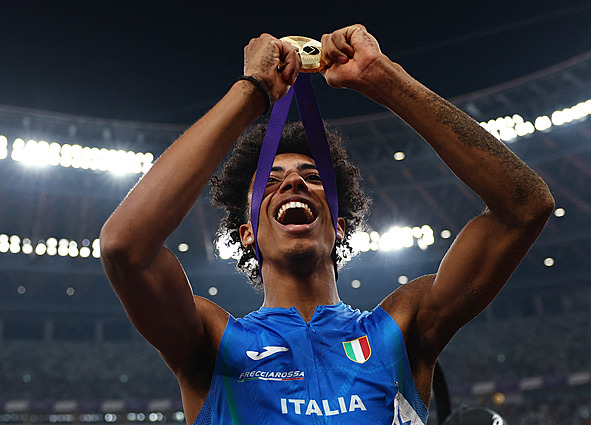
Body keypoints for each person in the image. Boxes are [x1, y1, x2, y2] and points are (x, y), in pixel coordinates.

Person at [100, 24, 554, 425]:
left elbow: (526, 206)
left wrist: (385, 78)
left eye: (312, 177)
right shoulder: (213, 342)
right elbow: (124, 246)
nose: (293, 182)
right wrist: (252, 91)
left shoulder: (401, 329)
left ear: (338, 226)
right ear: (247, 234)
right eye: (271, 181)